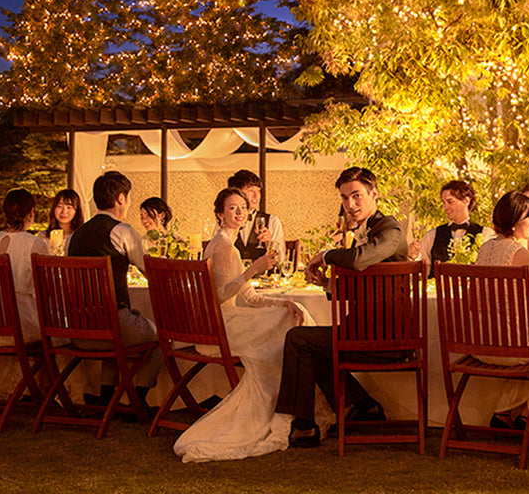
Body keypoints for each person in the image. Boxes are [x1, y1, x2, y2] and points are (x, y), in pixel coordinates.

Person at [275, 166, 409, 448]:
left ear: (374, 194)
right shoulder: (363, 231)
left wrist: (325, 254)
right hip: (364, 330)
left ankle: (303, 425)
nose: (350, 204)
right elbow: (369, 287)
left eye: (357, 196)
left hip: (389, 337)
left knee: (299, 340)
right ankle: (361, 404)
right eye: (345, 198)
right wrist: (325, 284)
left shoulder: (391, 230)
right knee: (306, 339)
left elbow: (360, 260)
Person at [173, 188, 305, 461]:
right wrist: (253, 270)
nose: (239, 212)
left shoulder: (227, 244)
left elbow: (249, 296)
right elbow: (218, 296)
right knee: (284, 333)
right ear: (220, 214)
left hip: (224, 323)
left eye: (242, 207)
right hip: (219, 328)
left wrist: (282, 303)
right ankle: (287, 413)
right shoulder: (221, 245)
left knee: (289, 316)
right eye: (232, 208)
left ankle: (293, 410)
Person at [66, 171, 163, 409]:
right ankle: (138, 398)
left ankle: (106, 398)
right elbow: (151, 272)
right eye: (128, 198)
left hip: (78, 331)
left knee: (116, 321)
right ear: (121, 198)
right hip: (112, 329)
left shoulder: (75, 236)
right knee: (164, 335)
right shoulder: (123, 231)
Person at [474, 191, 529, 427]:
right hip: (511, 349)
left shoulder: (484, 250)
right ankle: (525, 414)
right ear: (514, 221)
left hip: (480, 344)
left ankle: (505, 413)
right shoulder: (522, 255)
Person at [0, 189, 50, 344]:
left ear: (5, 215)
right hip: (20, 328)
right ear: (31, 213)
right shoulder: (34, 244)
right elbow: (47, 291)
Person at [416, 180, 484, 277]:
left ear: (466, 201)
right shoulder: (431, 235)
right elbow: (422, 270)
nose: (445, 207)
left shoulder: (485, 234)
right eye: (444, 203)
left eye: (449, 202)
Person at [227, 169, 286, 263]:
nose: (256, 195)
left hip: (263, 277)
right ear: (237, 193)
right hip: (235, 276)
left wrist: (270, 244)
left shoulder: (272, 221)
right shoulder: (226, 220)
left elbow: (281, 261)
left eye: (258, 190)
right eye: (250, 190)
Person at [45, 188, 84, 254]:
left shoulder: (81, 237)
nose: (64, 211)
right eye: (59, 206)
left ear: (76, 211)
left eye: (69, 207)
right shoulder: (44, 237)